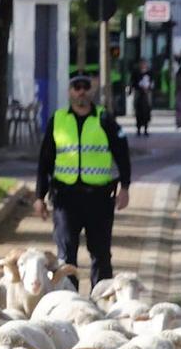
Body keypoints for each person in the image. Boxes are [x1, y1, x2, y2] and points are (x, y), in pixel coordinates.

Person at [33, 72, 132, 286]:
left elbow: (122, 153)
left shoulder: (105, 119)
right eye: (76, 87)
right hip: (65, 199)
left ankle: (101, 302)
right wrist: (39, 196)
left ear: (92, 90)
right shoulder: (58, 120)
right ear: (69, 92)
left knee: (101, 255)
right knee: (66, 256)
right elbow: (45, 161)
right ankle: (68, 302)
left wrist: (125, 187)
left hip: (99, 198)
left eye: (85, 87)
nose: (81, 92)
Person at [131, 60, 155, 136]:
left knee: (146, 111)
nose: (143, 65)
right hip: (139, 93)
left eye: (144, 64)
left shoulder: (150, 73)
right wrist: (139, 87)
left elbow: (152, 82)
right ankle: (138, 129)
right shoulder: (136, 73)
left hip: (146, 94)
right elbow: (133, 82)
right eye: (142, 64)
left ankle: (145, 129)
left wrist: (148, 88)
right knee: (138, 112)